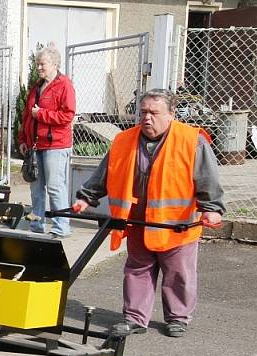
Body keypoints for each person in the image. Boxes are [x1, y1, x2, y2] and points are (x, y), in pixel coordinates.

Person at [73, 89, 224, 338]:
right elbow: (105, 174)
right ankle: (134, 317)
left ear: (171, 114)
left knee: (178, 273)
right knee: (137, 269)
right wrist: (85, 198)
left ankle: (178, 318)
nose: (147, 118)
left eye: (154, 112)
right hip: (136, 220)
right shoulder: (123, 140)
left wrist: (212, 208)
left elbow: (207, 178)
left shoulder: (192, 140)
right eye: (143, 112)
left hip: (176, 224)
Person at [18, 44, 76, 238]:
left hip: (56, 146)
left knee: (55, 186)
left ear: (54, 64)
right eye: (37, 64)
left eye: (42, 64)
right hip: (36, 145)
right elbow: (27, 116)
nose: (39, 68)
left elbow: (67, 116)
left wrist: (41, 114)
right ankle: (37, 225)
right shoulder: (36, 88)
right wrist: (23, 139)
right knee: (36, 187)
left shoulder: (64, 85)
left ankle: (61, 227)